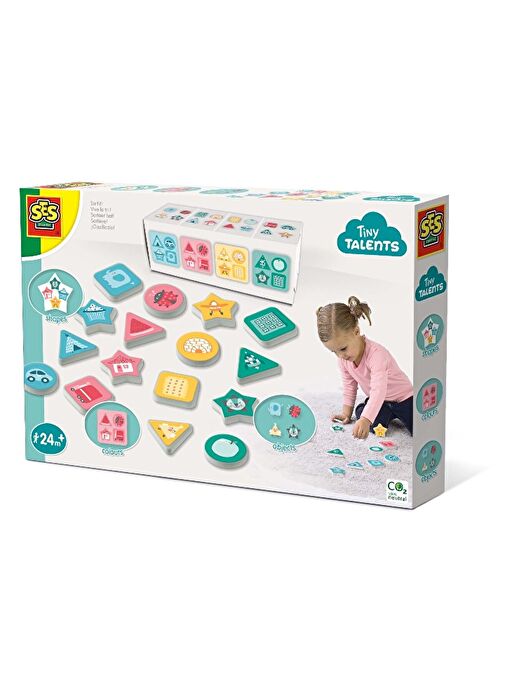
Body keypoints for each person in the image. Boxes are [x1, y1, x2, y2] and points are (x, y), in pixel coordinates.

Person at [316, 296, 413, 439]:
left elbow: (379, 390)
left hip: (404, 398)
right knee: (363, 417)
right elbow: (349, 386)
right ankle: (380, 411)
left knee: (419, 428)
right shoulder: (344, 360)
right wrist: (346, 413)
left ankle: (387, 412)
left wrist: (366, 419)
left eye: (343, 349)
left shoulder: (377, 355)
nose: (340, 356)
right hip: (382, 402)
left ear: (356, 331)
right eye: (334, 352)